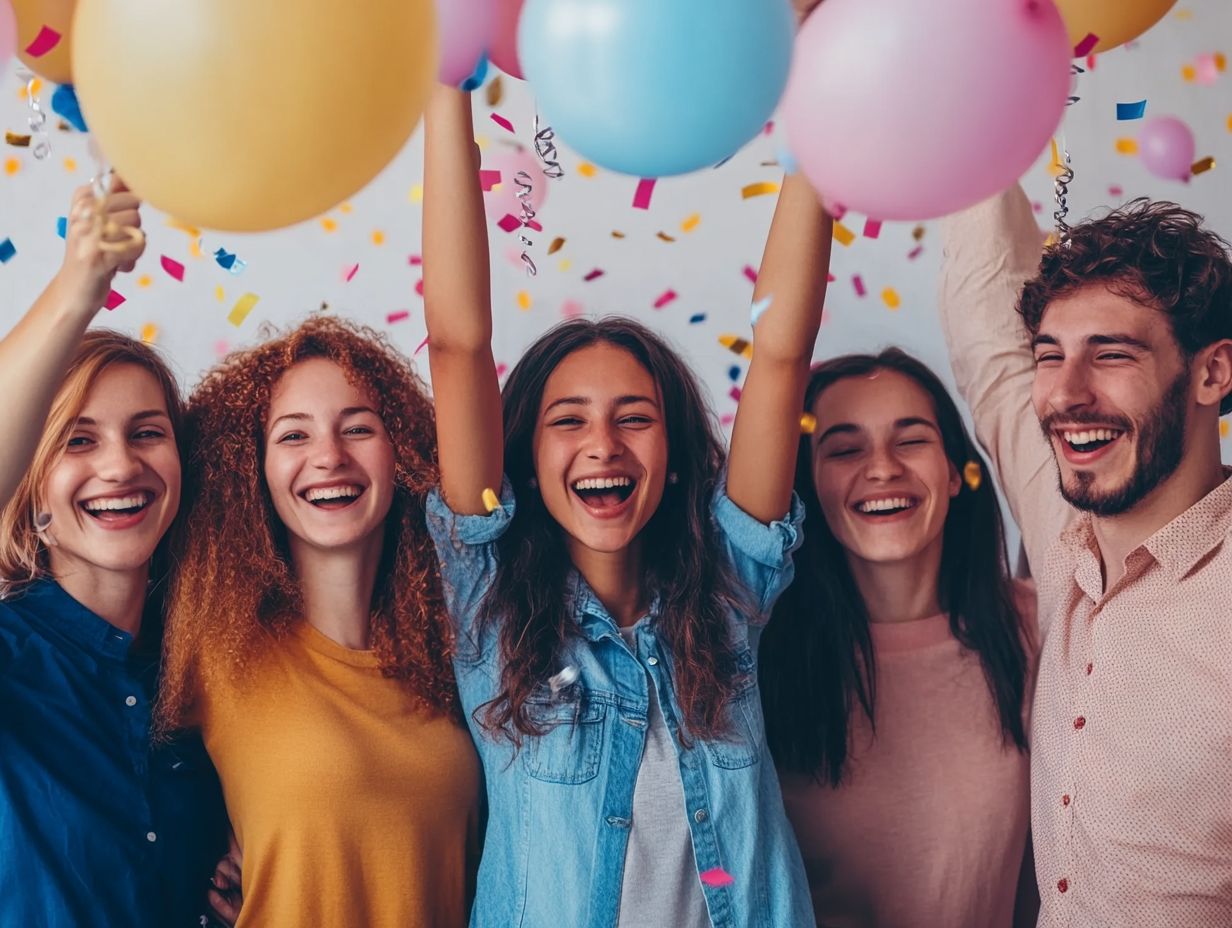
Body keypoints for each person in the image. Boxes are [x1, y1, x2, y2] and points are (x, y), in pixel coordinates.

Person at [420, 69, 832, 925]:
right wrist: (444, 83)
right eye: (568, 421)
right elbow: (459, 343)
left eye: (634, 419)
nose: (603, 445)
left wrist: (824, 87)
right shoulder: (488, 604)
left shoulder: (729, 598)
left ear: (677, 459)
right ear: (525, 462)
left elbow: (783, 354)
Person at [939, 184, 1232, 924]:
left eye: (1112, 355)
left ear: (1212, 373)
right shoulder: (1067, 527)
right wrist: (985, 100)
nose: (1067, 394)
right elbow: (986, 338)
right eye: (1050, 355)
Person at [155, 316, 481, 928]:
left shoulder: (457, 653)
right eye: (293, 436)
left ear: (402, 452)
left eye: (357, 428)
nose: (329, 457)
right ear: (252, 468)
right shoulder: (211, 646)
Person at [0, 182, 225, 926]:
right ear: (30, 490)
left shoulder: (210, 668)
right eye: (78, 440)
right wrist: (76, 292)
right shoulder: (12, 658)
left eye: (147, 433)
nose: (120, 466)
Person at [759, 349, 1039, 927]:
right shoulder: (756, 655)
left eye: (910, 440)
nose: (882, 467)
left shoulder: (1037, 629)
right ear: (808, 485)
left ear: (957, 472)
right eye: (844, 448)